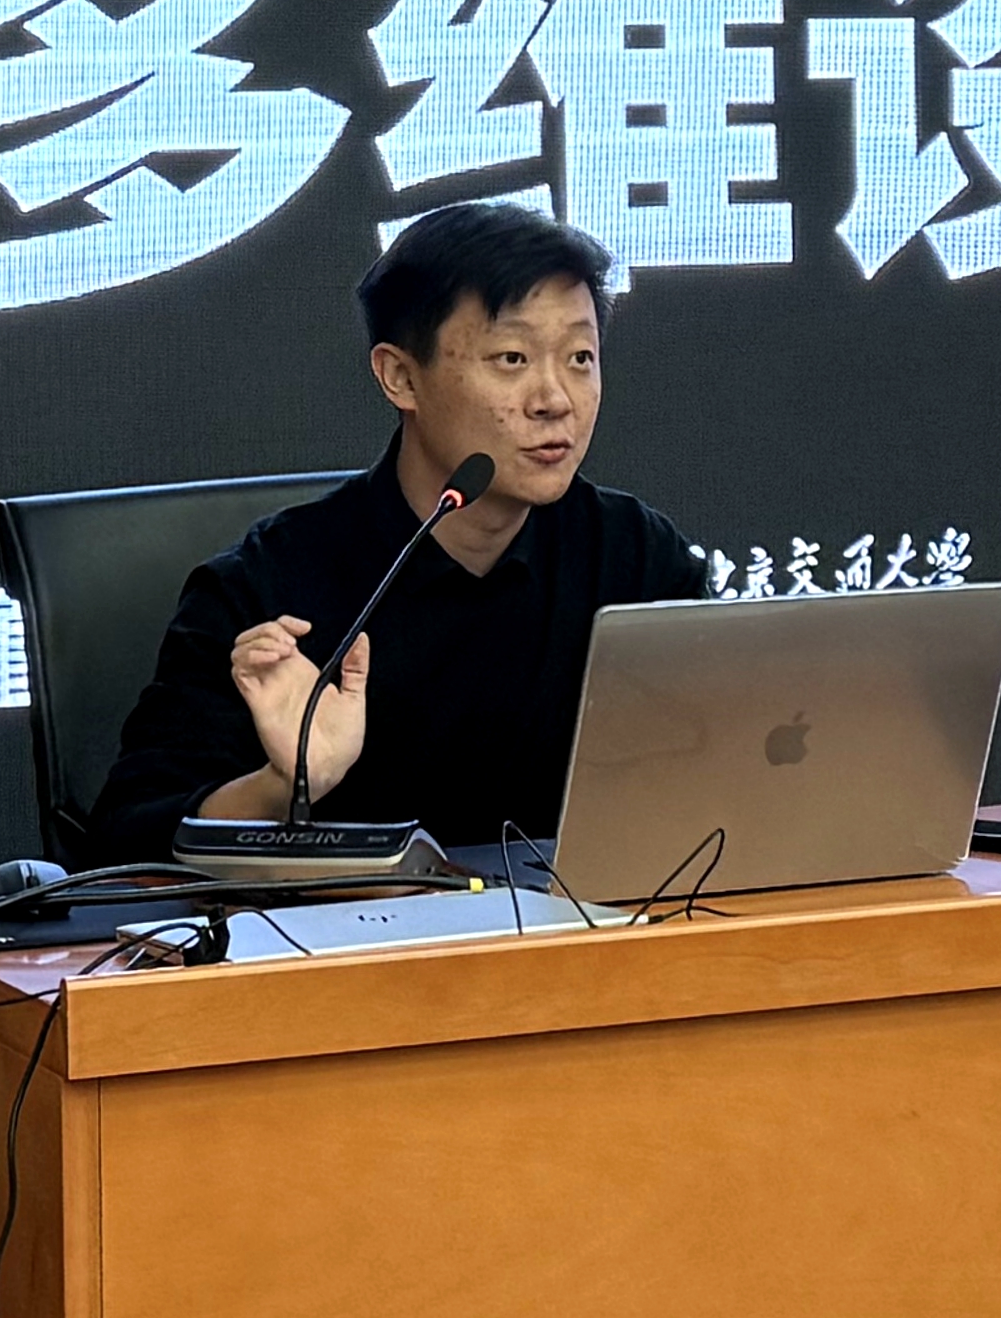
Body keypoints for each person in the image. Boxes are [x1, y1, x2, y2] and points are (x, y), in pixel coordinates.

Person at [85, 204, 707, 862]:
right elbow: (122, 843)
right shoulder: (267, 589)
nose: (555, 399)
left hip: (585, 924)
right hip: (347, 927)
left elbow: (720, 777)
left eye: (580, 357)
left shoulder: (635, 557)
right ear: (400, 377)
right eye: (512, 357)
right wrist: (283, 785)